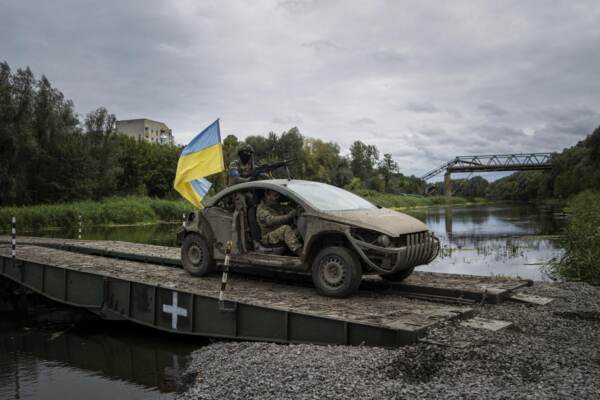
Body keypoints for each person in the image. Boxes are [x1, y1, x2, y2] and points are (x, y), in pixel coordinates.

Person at [256, 190, 302, 256]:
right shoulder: (261, 209)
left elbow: (286, 208)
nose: (278, 198)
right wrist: (288, 216)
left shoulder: (274, 204)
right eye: (275, 196)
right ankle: (300, 253)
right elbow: (271, 220)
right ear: (267, 195)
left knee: (298, 228)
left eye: (278, 195)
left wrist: (296, 210)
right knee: (285, 229)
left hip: (278, 231)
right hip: (268, 236)